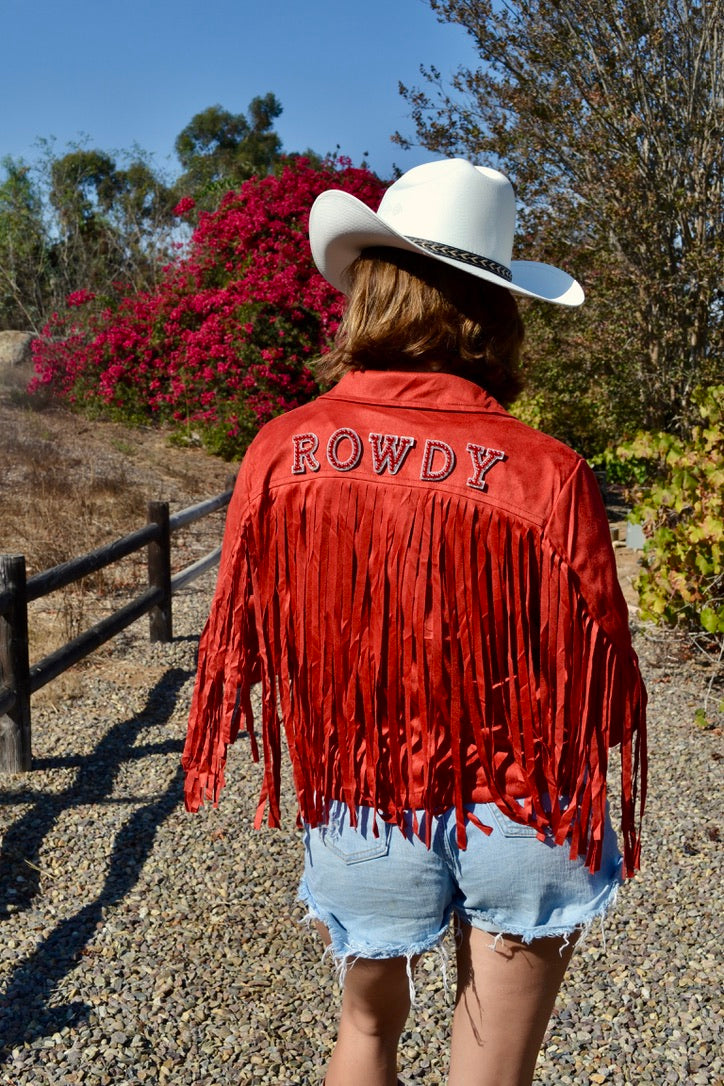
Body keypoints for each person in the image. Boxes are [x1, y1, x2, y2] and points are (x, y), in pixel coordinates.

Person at [182, 158, 647, 1086]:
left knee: (365, 1035)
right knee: (492, 1074)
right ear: (495, 308)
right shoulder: (546, 470)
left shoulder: (282, 448)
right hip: (522, 800)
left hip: (365, 790)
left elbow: (242, 634)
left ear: (371, 289)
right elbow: (602, 663)